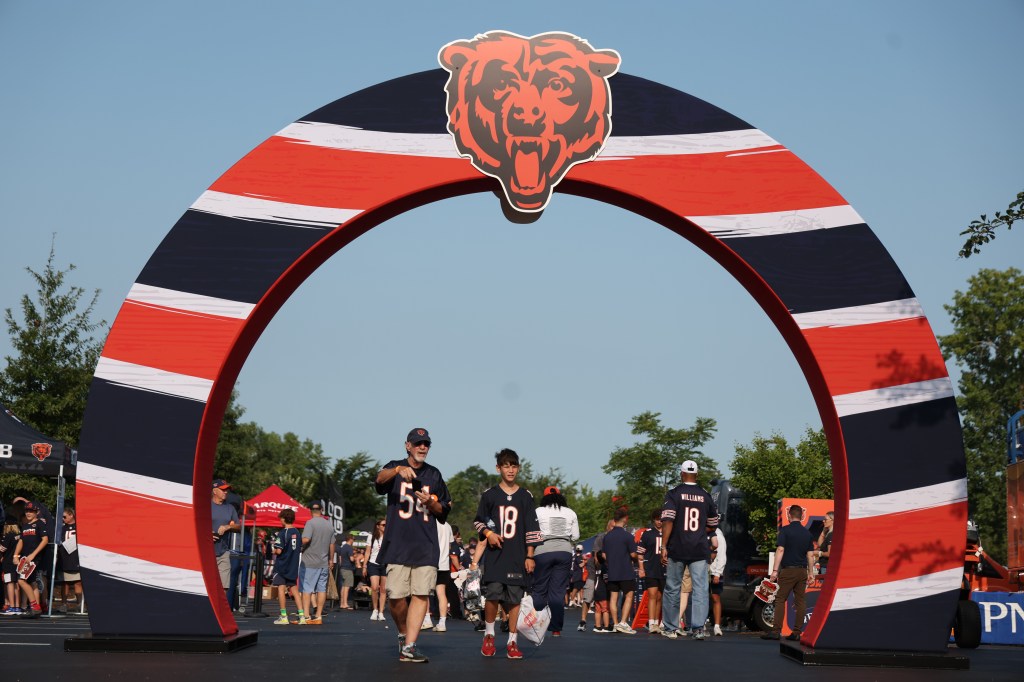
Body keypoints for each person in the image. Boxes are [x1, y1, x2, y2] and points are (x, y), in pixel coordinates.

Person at [374, 427, 452, 664]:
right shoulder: (395, 466)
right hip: (398, 543)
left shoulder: (434, 475)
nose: (422, 447)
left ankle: (410, 645)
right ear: (407, 445)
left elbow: (444, 511)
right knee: (396, 598)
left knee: (420, 595)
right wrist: (398, 470)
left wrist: (431, 502)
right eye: (418, 443)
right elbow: (378, 481)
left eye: (426, 444)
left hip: (426, 545)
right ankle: (403, 633)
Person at [471, 448, 540, 660]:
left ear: (518, 468)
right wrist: (489, 533)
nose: (510, 470)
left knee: (515, 600)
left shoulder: (525, 496)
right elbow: (478, 521)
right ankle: (489, 635)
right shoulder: (489, 495)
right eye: (506, 466)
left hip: (517, 556)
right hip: (495, 556)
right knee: (492, 595)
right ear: (498, 468)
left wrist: (530, 556)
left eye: (514, 466)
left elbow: (532, 528)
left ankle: (512, 641)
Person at [660, 460, 719, 640]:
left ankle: (670, 627)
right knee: (700, 589)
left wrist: (664, 545)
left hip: (677, 547)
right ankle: (698, 628)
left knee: (672, 588)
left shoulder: (674, 494)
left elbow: (668, 521)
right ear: (697, 475)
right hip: (699, 548)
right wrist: (699, 531)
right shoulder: (705, 495)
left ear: (681, 474)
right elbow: (713, 524)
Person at [761, 504, 815, 641]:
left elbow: (780, 550)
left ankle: (776, 631)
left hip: (788, 571)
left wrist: (774, 571)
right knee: (800, 601)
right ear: (802, 516)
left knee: (780, 599)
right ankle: (797, 632)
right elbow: (810, 555)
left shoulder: (785, 531)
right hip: (802, 571)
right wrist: (811, 573)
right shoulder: (807, 533)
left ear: (789, 515)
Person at [531, 485, 579, 637]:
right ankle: (556, 629)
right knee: (557, 591)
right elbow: (576, 536)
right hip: (564, 551)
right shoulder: (570, 512)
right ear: (560, 497)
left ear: (544, 497)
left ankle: (537, 626)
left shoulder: (538, 511)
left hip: (542, 551)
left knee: (540, 589)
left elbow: (532, 532)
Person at [601, 508, 638, 634]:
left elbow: (604, 555)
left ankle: (616, 623)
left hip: (612, 571)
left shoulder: (607, 537)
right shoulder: (628, 536)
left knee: (613, 598)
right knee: (629, 595)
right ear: (625, 519)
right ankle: (623, 622)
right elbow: (633, 554)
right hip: (626, 571)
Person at [299, 501, 335, 625]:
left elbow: (306, 539)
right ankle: (318, 616)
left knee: (307, 589)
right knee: (321, 589)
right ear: (322, 510)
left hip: (309, 561)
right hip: (324, 562)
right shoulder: (329, 525)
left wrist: (296, 542)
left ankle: (306, 616)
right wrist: (331, 560)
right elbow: (332, 544)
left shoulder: (310, 523)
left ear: (310, 510)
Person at [13, 501, 49, 617]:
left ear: (36, 512)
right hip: (25, 557)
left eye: (31, 511)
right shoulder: (25, 525)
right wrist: (15, 555)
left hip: (34, 558)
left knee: (21, 580)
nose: (28, 513)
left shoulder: (40, 523)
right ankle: (36, 608)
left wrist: (33, 554)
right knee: (32, 583)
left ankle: (35, 606)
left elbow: (45, 540)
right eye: (26, 511)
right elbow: (21, 541)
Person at [272, 508, 302, 624]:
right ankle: (302, 615)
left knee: (281, 587)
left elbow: (279, 551)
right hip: (293, 565)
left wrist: (274, 549)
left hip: (282, 565)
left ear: (283, 519)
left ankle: (284, 616)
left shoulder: (283, 532)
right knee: (294, 589)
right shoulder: (297, 533)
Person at [211, 479, 240, 604]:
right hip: (207, 552)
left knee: (224, 586)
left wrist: (228, 526)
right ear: (214, 491)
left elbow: (238, 526)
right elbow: (195, 522)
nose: (225, 492)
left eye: (226, 490)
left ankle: (219, 609)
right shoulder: (205, 505)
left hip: (223, 551)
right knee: (208, 585)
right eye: (223, 490)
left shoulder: (230, 508)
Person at [637, 508, 664, 633]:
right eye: (658, 519)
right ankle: (652, 623)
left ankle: (657, 622)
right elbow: (640, 553)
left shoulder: (668, 533)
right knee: (652, 595)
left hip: (665, 569)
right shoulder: (647, 534)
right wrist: (641, 569)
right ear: (654, 520)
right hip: (651, 568)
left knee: (660, 596)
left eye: (662, 519)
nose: (660, 522)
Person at [56, 508, 83, 612]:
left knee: (78, 581)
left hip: (76, 558)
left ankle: (80, 603)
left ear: (71, 515)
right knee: (65, 582)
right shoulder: (61, 529)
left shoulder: (79, 526)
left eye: (65, 516)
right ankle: (64, 604)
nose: (63, 519)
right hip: (64, 558)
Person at [366, 518, 387, 621]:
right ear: (378, 526)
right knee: (374, 587)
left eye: (386, 525)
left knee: (383, 589)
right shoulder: (371, 537)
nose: (385, 527)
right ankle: (375, 609)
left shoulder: (388, 536)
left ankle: (381, 612)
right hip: (373, 563)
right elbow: (367, 552)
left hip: (385, 564)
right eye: (383, 525)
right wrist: (365, 565)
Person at [709, 525, 726, 636]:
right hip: (703, 570)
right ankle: (699, 625)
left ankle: (717, 626)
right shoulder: (704, 533)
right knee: (701, 598)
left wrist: (717, 574)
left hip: (714, 572)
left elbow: (722, 556)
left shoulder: (718, 535)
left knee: (715, 598)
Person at [1, 519, 22, 614]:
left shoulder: (8, 535)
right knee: (16, 583)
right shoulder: (19, 535)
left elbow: (3, 548)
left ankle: (12, 606)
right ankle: (17, 606)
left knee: (9, 583)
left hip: (8, 562)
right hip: (17, 561)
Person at [336, 533, 356, 609]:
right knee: (347, 587)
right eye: (353, 539)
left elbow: (340, 558)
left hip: (342, 568)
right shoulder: (349, 548)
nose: (354, 541)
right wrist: (355, 558)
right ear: (350, 539)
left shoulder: (343, 547)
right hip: (348, 568)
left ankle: (342, 603)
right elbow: (351, 559)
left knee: (343, 586)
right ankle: (345, 603)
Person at [816, 511, 834, 575]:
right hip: (824, 566)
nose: (823, 521)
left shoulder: (832, 534)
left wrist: (819, 553)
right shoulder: (828, 534)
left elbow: (830, 553)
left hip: (827, 566)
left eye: (825, 519)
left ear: (832, 520)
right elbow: (819, 544)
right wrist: (823, 531)